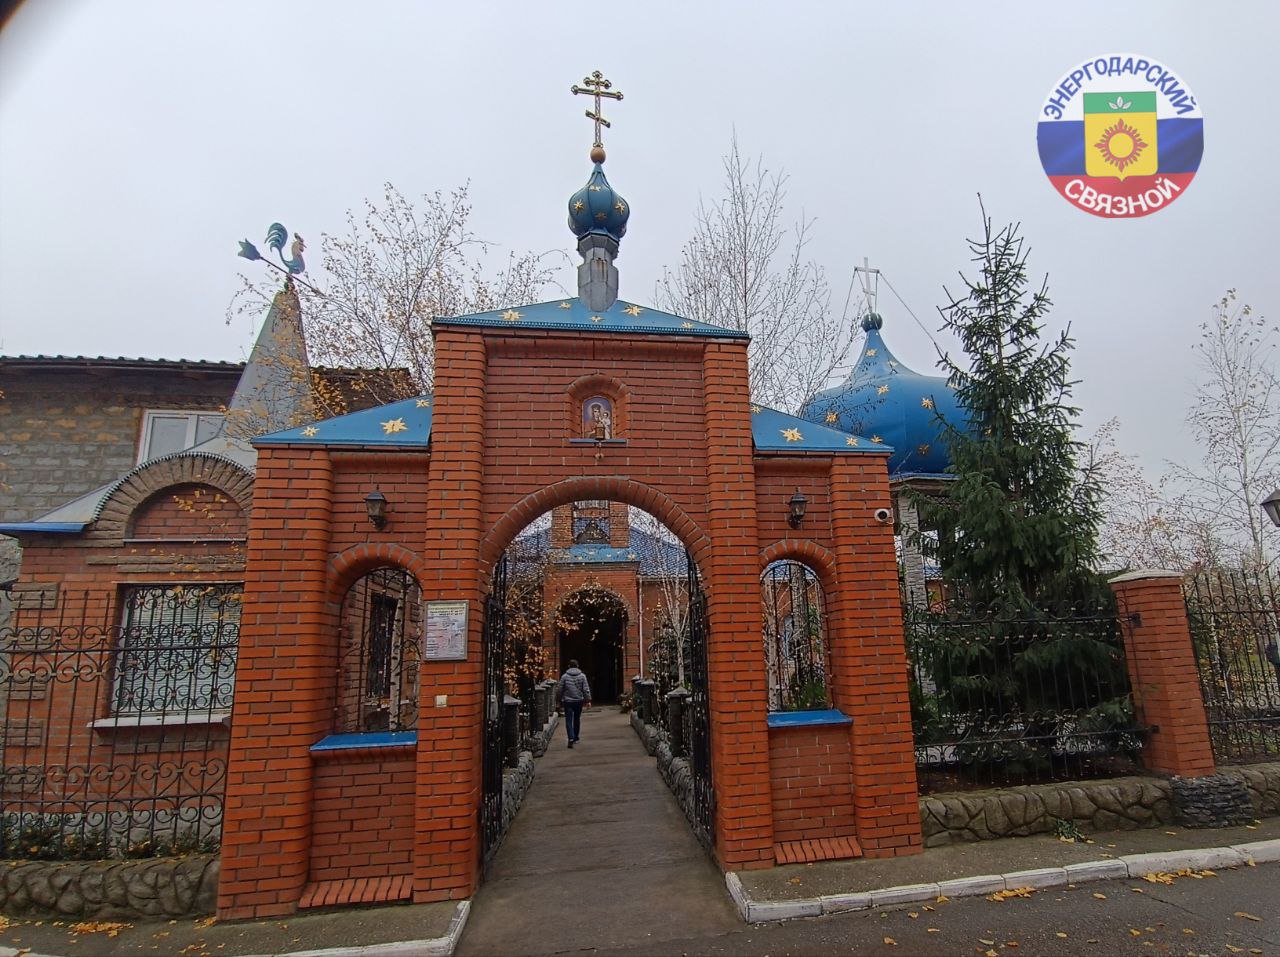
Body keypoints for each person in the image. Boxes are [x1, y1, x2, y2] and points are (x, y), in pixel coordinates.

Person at [556, 659, 592, 748]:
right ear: (578, 666)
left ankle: (570, 737)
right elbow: (586, 689)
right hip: (579, 700)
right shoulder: (582, 676)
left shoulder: (564, 676)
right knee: (577, 719)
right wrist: (588, 700)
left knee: (568, 720)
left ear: (569, 666)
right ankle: (576, 737)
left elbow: (560, 689)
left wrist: (558, 700)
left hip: (568, 701)